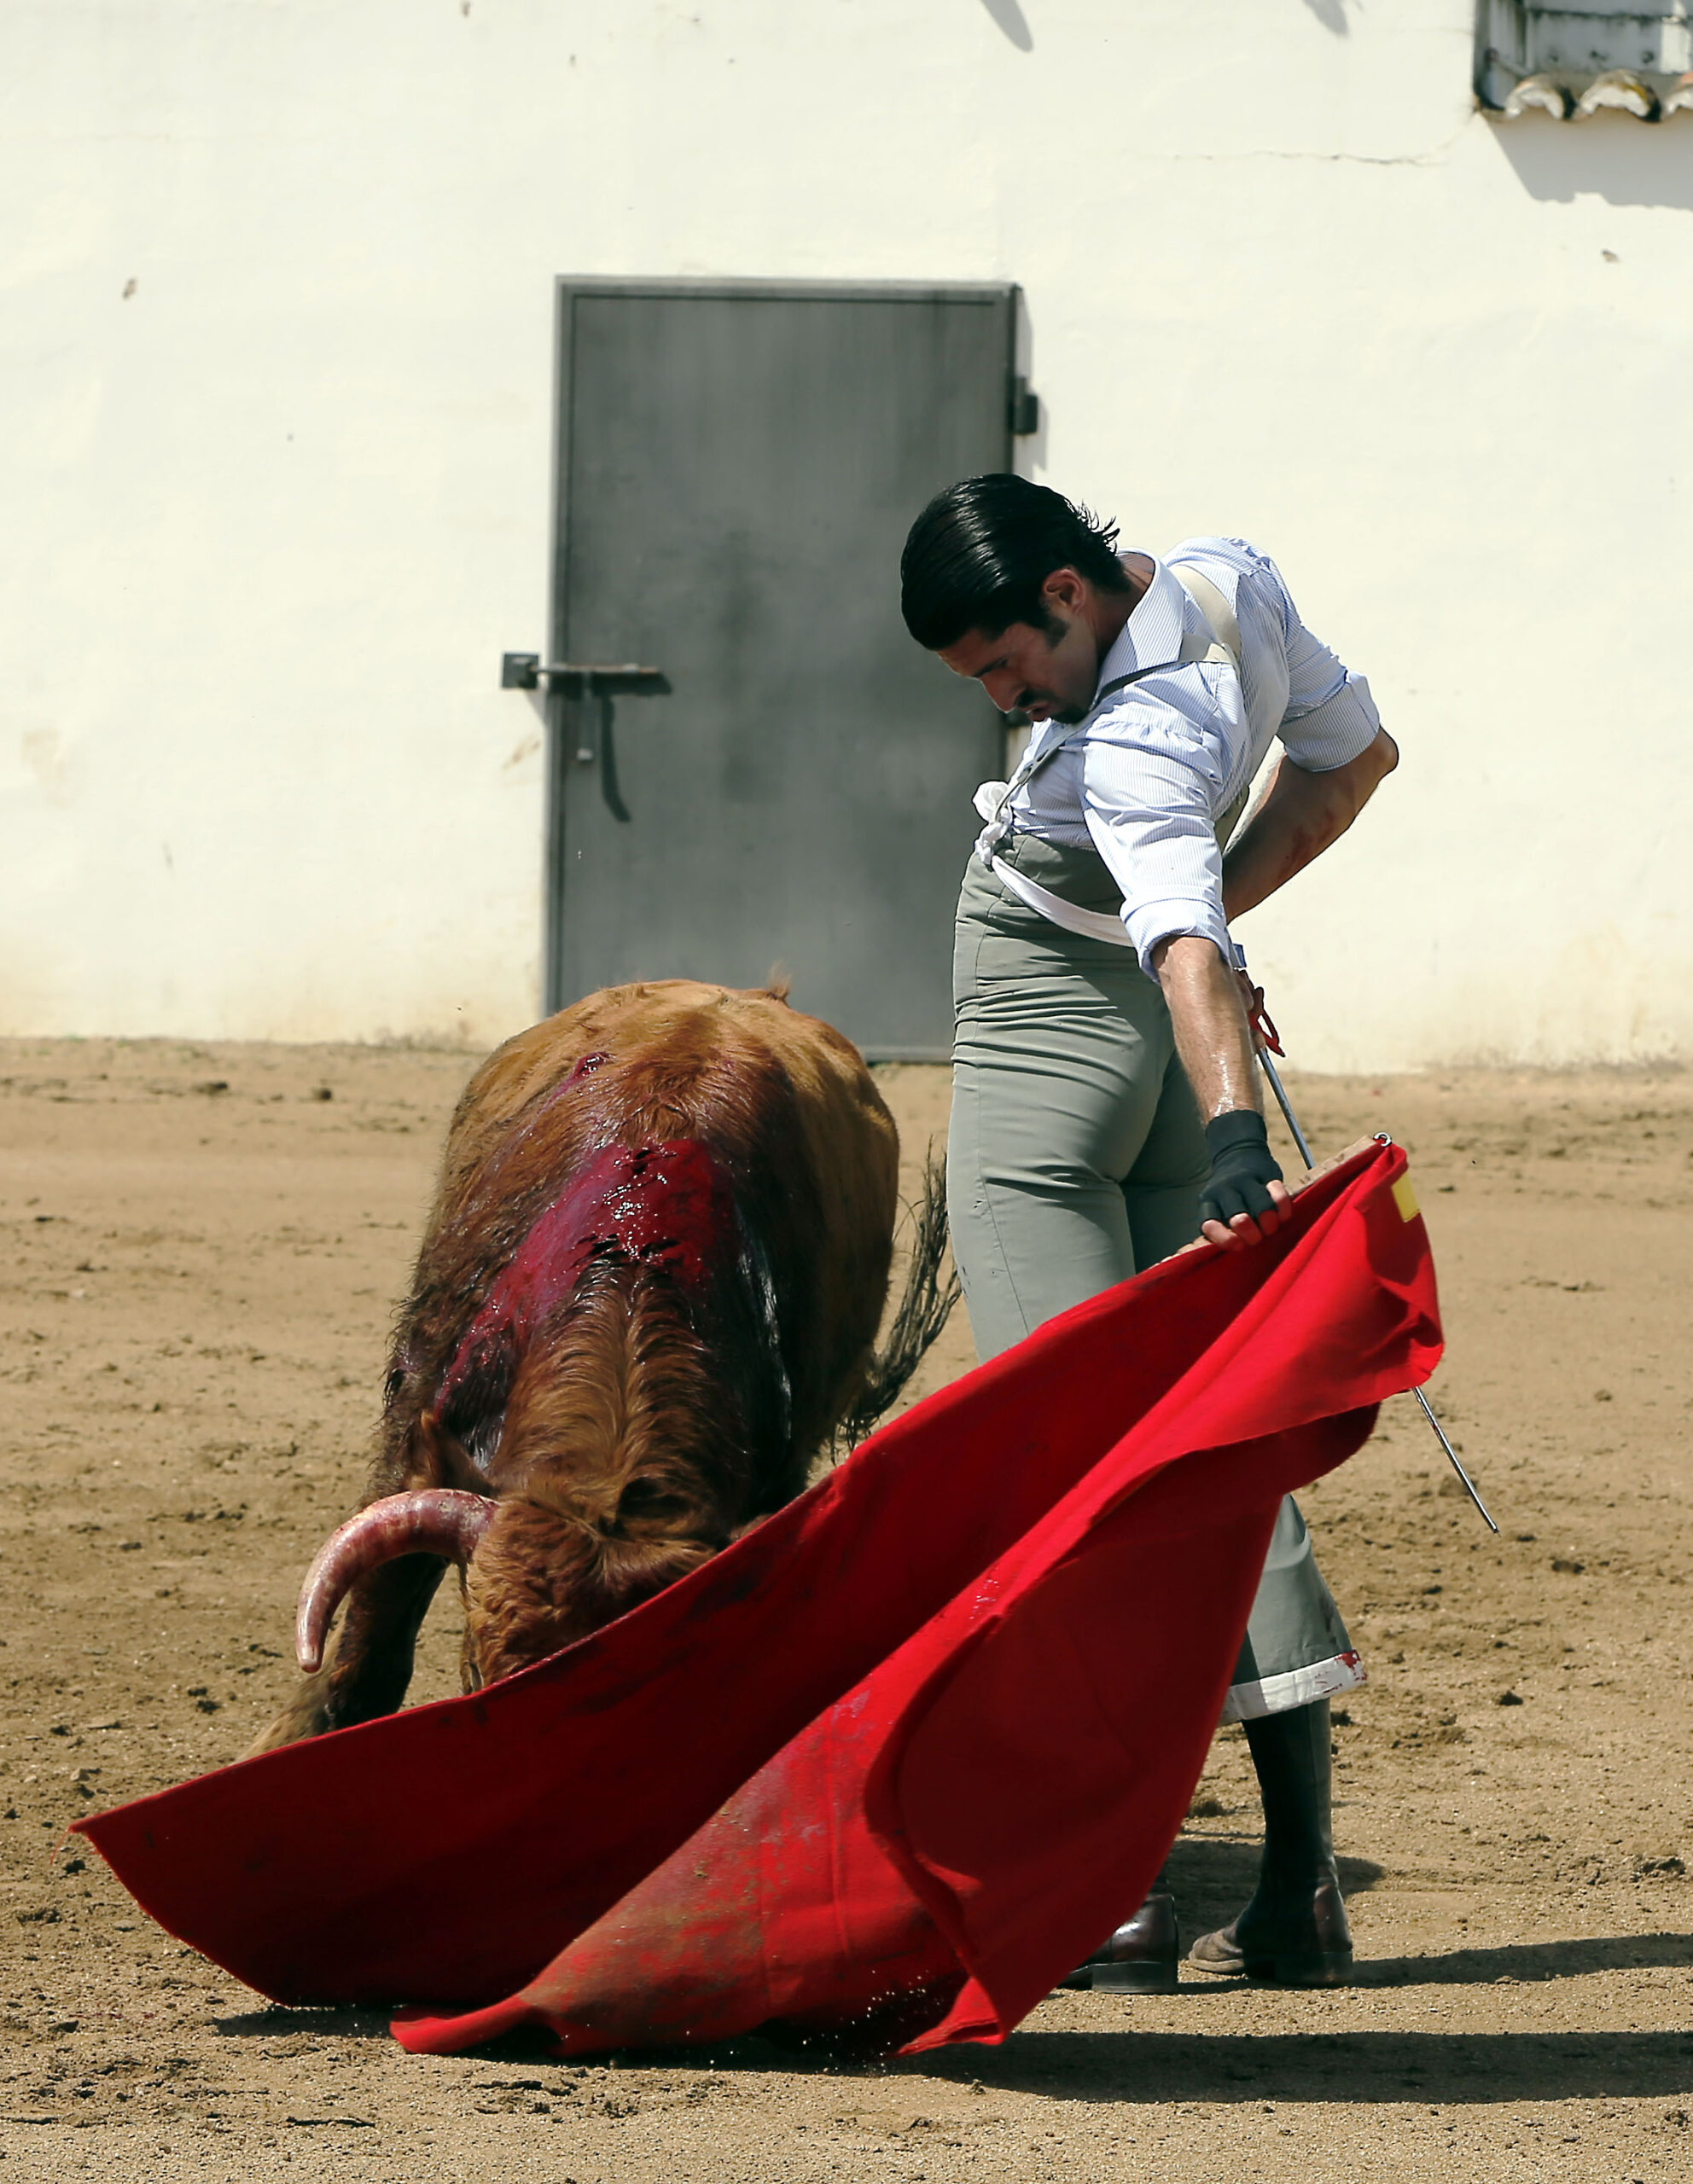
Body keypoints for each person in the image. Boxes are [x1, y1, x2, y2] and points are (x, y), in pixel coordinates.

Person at [900, 473, 1399, 1990]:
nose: (1002, 699)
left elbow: (1176, 927)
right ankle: (1301, 1881)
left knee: (1076, 1443)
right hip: (1176, 1029)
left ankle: (1118, 1893)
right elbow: (1355, 757)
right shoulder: (1227, 574)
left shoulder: (1125, 745)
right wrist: (1209, 966)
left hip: (1062, 1034)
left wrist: (1240, 1125)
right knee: (1214, 1429)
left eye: (1003, 667)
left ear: (1064, 599)